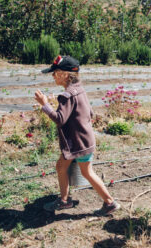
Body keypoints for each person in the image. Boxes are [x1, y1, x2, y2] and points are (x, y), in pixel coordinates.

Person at [34, 55, 120, 216]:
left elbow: (59, 119)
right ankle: (65, 200)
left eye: (55, 72)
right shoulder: (79, 90)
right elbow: (90, 112)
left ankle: (109, 203)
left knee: (86, 172)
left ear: (65, 74)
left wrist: (44, 104)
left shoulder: (68, 96)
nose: (53, 76)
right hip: (83, 140)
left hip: (77, 144)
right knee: (63, 167)